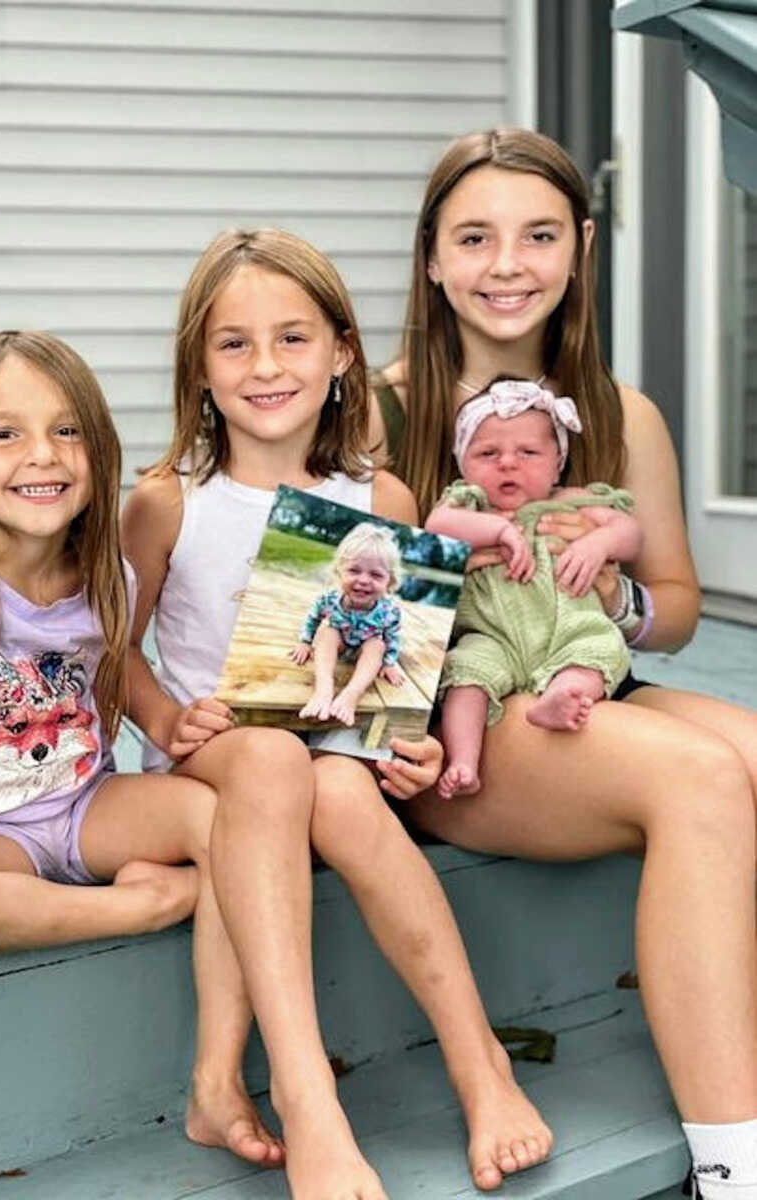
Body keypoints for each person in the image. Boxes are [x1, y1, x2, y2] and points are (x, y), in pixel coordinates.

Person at [121, 227, 553, 1199]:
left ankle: (479, 1062)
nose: (266, 366)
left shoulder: (381, 493)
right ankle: (312, 1098)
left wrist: (416, 744)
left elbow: (405, 657)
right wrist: (162, 717)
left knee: (348, 794)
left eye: (293, 338)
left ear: (343, 353)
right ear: (197, 366)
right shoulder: (167, 503)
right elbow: (112, 649)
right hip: (219, 760)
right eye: (233, 344)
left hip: (338, 757)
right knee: (273, 764)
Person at [370, 127, 757, 1200]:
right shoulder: (379, 410)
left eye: (539, 235)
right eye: (476, 237)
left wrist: (612, 595)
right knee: (702, 777)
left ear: (580, 247)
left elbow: (673, 607)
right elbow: (339, 600)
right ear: (433, 257)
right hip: (457, 722)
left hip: (588, 683)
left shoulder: (621, 413)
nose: (508, 265)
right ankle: (735, 1173)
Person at [0, 330, 284, 1171]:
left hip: (85, 808)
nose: (41, 456)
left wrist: (169, 722)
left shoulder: (109, 576)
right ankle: (148, 906)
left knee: (217, 816)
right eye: (4, 433)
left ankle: (217, 1079)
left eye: (66, 430)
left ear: (96, 446)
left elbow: (106, 689)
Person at [426, 377, 642, 797]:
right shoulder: (466, 505)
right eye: (488, 453)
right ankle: (464, 762)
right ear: (463, 463)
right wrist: (497, 531)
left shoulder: (572, 500)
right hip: (493, 638)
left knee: (597, 651)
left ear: (558, 461)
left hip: (568, 631)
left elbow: (629, 532)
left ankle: (561, 699)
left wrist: (600, 543)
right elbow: (437, 527)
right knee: (466, 675)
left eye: (528, 452)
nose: (508, 463)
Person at [292, 520, 405, 726]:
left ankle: (351, 695)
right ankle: (324, 689)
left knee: (377, 644)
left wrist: (389, 663)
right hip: (339, 642)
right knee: (327, 631)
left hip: (364, 648)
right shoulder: (329, 600)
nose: (363, 580)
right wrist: (305, 641)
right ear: (339, 571)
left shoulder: (390, 611)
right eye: (354, 570)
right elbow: (313, 618)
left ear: (390, 581)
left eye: (376, 575)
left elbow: (393, 637)